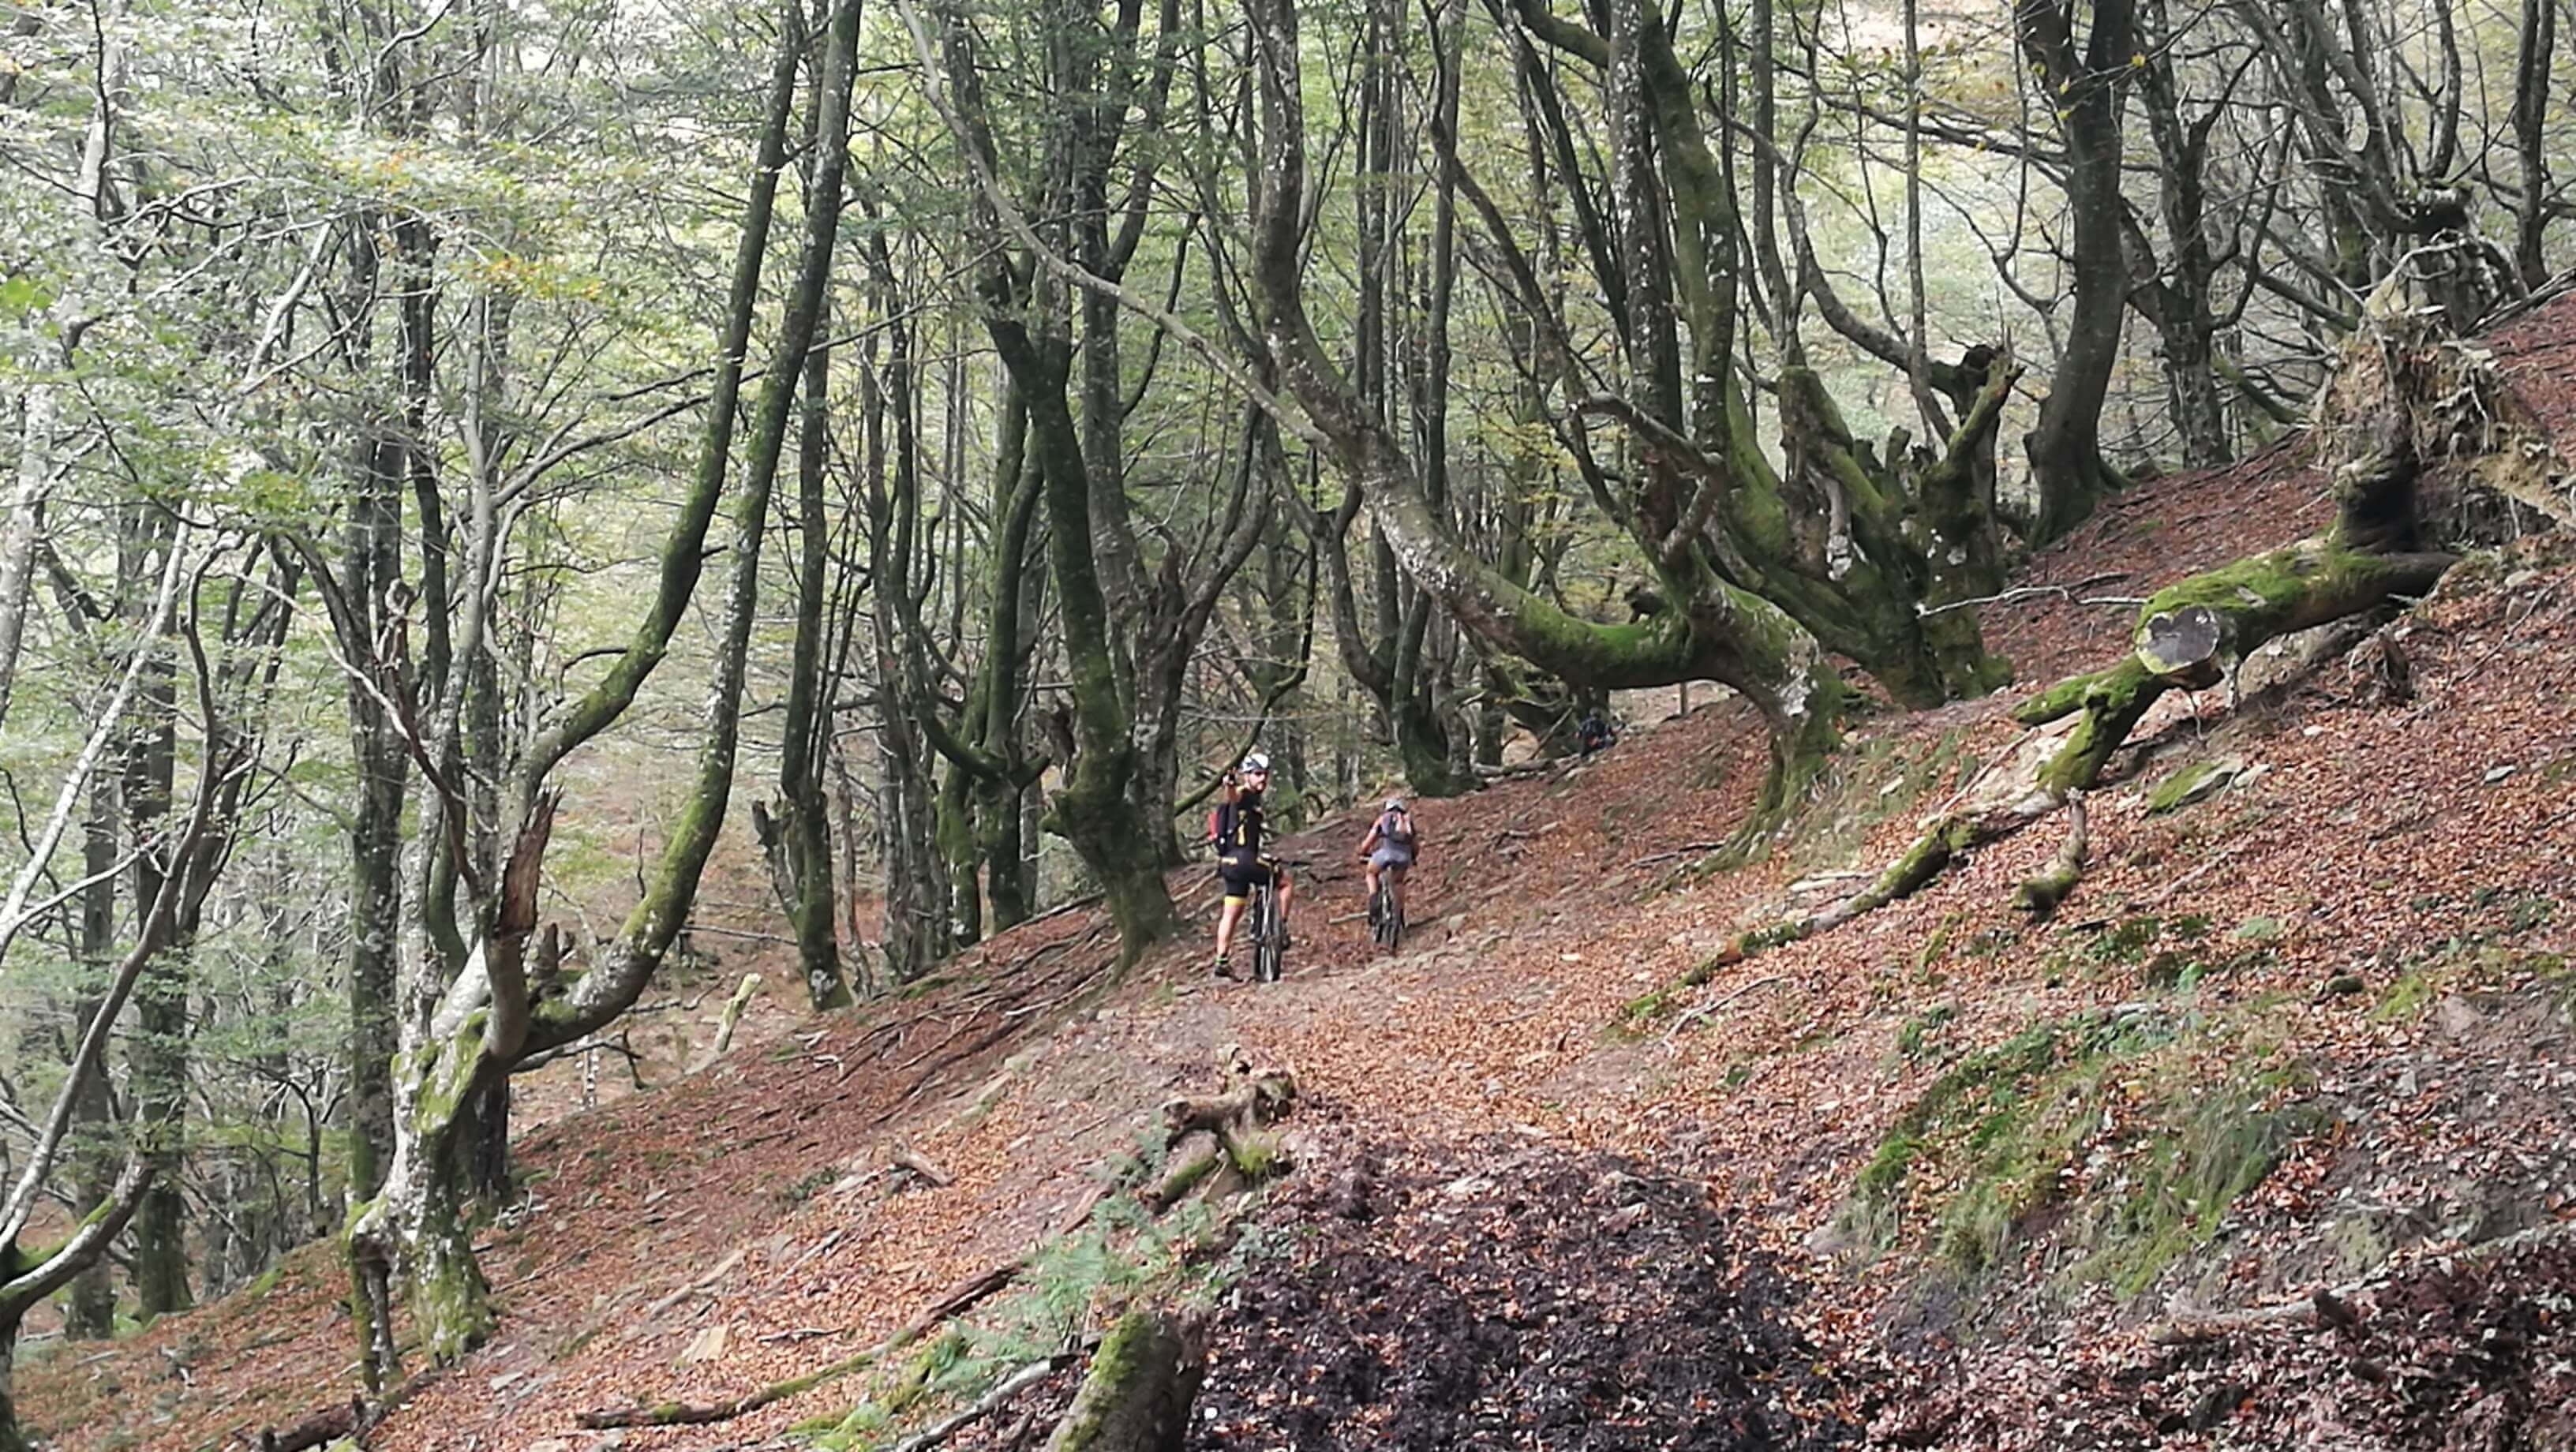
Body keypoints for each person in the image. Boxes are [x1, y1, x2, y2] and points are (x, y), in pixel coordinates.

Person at [1209, 753, 1292, 979]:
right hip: (1246, 860)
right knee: (1285, 882)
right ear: (1247, 776)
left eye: (1265, 774)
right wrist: (1230, 785)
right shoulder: (1245, 795)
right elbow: (1234, 796)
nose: (1262, 779)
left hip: (1229, 864)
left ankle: (1222, 959)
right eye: (1257, 774)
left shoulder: (1248, 801)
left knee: (1231, 912)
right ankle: (1282, 929)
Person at [1357, 796, 1418, 928]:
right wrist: (1413, 857)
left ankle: (1374, 899)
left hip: (1386, 854)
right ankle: (1399, 915)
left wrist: (1362, 852)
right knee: (1398, 882)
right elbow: (1415, 845)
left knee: (1371, 873)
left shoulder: (1383, 819)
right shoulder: (1407, 821)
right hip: (1404, 857)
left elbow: (1368, 842)